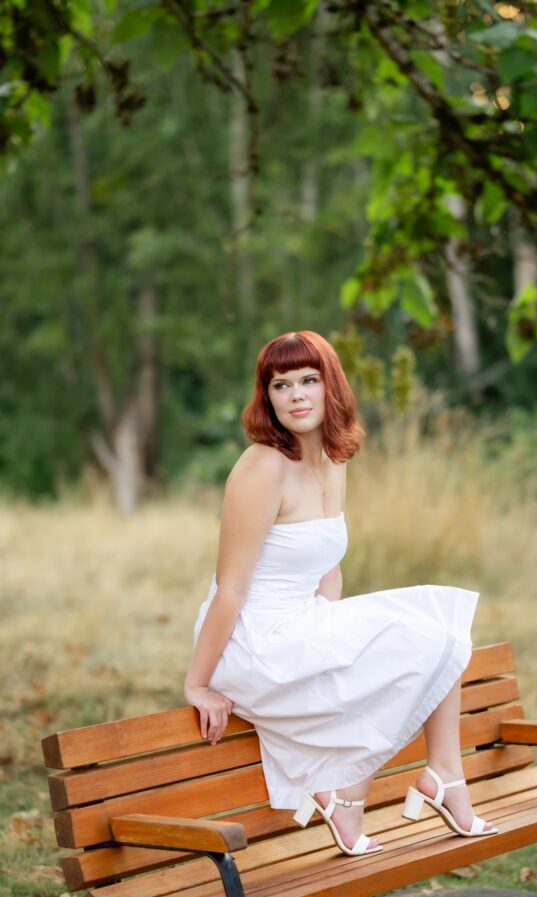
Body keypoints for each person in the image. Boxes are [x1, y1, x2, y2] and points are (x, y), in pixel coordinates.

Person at [184, 330, 496, 856]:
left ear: (332, 388)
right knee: (423, 635)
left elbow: (328, 570)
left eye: (309, 380)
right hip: (251, 639)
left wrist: (335, 641)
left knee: (438, 630)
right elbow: (230, 589)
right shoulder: (262, 467)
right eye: (281, 385)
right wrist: (197, 682)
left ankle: (427, 777)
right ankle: (383, 789)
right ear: (268, 398)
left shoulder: (334, 458)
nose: (297, 395)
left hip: (302, 624)